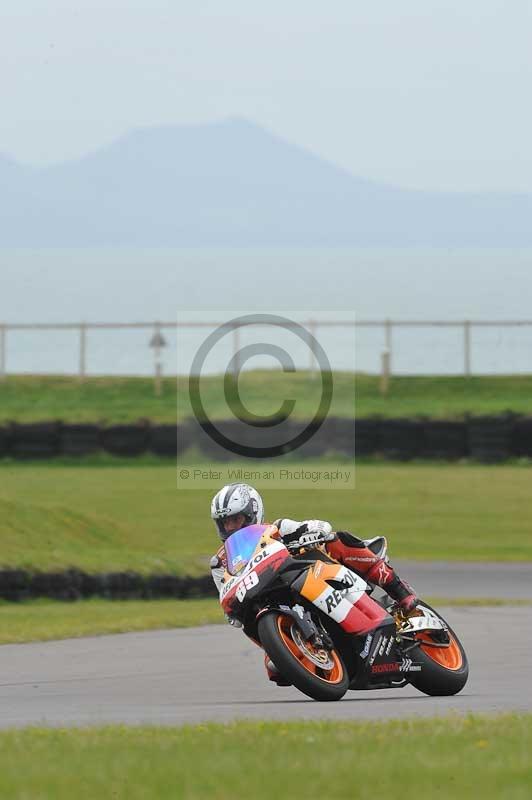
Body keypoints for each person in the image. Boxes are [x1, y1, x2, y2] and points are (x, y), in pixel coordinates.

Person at [209, 482, 418, 685]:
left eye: (235, 519)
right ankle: (300, 648)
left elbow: (319, 527)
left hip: (322, 576)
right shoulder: (220, 562)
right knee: (275, 670)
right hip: (267, 596)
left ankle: (400, 590)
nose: (230, 527)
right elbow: (225, 593)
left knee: (337, 539)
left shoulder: (276, 529)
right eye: (225, 522)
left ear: (252, 513)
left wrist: (311, 533)